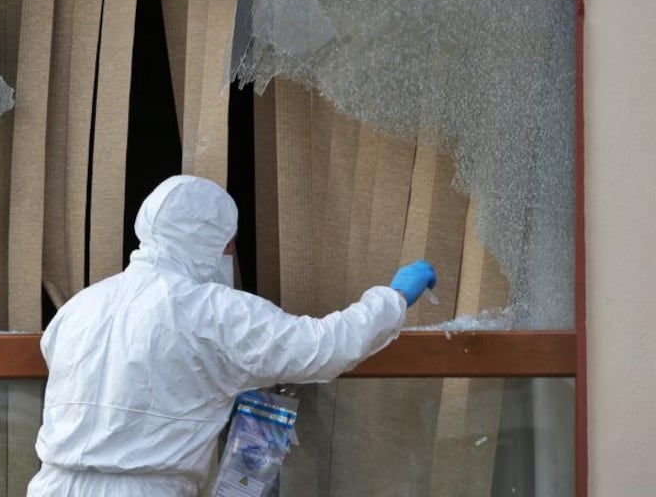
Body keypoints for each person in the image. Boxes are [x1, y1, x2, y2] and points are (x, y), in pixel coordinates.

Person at [27, 175, 437, 497]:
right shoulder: (212, 311)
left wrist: (209, 382)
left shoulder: (78, 308)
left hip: (50, 485)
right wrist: (393, 298)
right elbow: (323, 348)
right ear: (211, 241)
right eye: (229, 244)